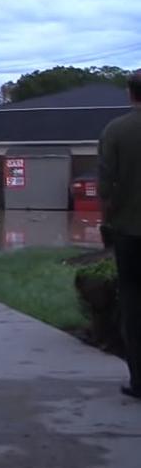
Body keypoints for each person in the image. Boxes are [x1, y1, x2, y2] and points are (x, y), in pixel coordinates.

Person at [98, 69, 141, 399]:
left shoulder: (116, 131)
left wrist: (106, 222)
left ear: (130, 94)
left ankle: (139, 380)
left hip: (129, 232)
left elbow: (106, 186)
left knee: (132, 303)